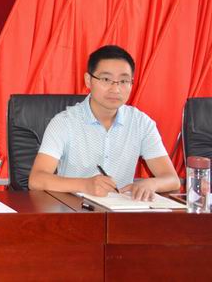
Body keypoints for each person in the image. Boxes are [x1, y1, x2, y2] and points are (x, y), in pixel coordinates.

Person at [28, 45, 180, 200]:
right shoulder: (64, 122)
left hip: (122, 210)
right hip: (73, 208)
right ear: (88, 80)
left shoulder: (141, 123)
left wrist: (151, 184)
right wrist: (85, 185)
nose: (115, 89)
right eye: (106, 79)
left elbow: (172, 179)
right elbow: (36, 179)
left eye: (123, 81)